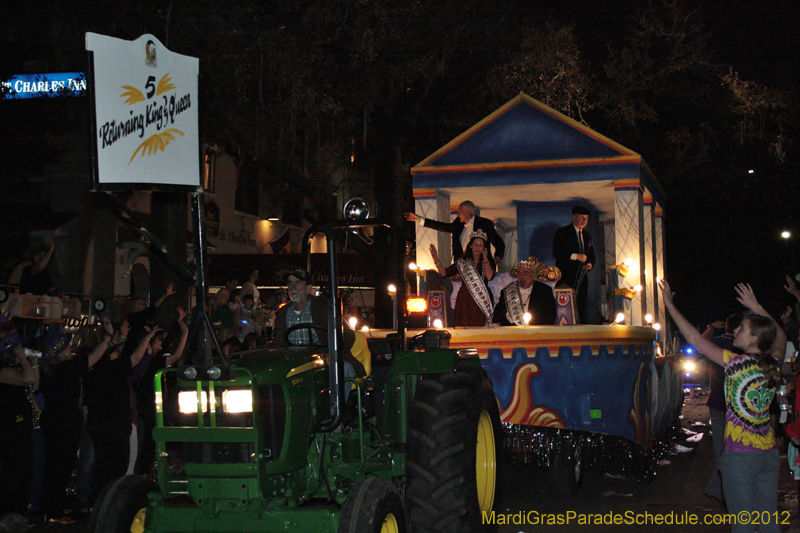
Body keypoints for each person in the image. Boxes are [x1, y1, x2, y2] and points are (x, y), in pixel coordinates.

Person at [659, 280, 785, 533]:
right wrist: (757, 307)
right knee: (768, 523)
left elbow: (695, 339)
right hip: (768, 455)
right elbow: (780, 336)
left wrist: (670, 306)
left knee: (743, 525)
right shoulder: (772, 363)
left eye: (742, 328)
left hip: (740, 457)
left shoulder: (736, 364)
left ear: (754, 339)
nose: (736, 330)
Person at [271, 267, 365, 379]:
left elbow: (347, 336)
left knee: (345, 368)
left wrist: (330, 350)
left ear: (308, 288)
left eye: (298, 283)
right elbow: (278, 342)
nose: (293, 287)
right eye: (290, 283)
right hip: (294, 361)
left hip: (322, 360)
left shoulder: (324, 308)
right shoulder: (282, 313)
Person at [700, 314, 742, 504]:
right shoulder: (742, 347)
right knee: (737, 448)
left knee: (720, 447)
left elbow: (699, 343)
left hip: (718, 401)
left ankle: (720, 488)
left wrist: (710, 327)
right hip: (738, 404)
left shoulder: (718, 343)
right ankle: (727, 488)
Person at [406, 200, 505, 270]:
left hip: (482, 267)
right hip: (462, 267)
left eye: (459, 212)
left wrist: (497, 257)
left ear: (467, 212)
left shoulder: (485, 223)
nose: (457, 214)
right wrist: (419, 219)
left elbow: (499, 242)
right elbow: (443, 226)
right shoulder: (458, 223)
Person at [431, 230, 494, 327]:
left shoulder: (487, 262)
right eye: (476, 245)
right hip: (465, 298)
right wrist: (436, 260)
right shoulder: (462, 262)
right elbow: (444, 273)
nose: (478, 248)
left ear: (484, 248)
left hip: (482, 297)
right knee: (465, 323)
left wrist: (485, 258)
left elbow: (489, 277)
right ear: (470, 246)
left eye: (480, 245)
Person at [553, 205, 595, 324]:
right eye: (582, 218)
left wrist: (590, 263)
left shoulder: (586, 235)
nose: (584, 221)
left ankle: (581, 329)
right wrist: (576, 256)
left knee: (581, 307)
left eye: (586, 218)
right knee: (566, 307)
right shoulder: (563, 232)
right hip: (566, 277)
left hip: (582, 278)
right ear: (574, 217)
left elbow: (591, 255)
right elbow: (557, 252)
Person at [492, 257, 557, 326]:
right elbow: (498, 315)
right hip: (512, 331)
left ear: (533, 275)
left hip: (536, 330)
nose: (521, 276)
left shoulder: (544, 291)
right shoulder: (507, 291)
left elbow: (550, 316)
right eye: (519, 273)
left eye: (525, 273)